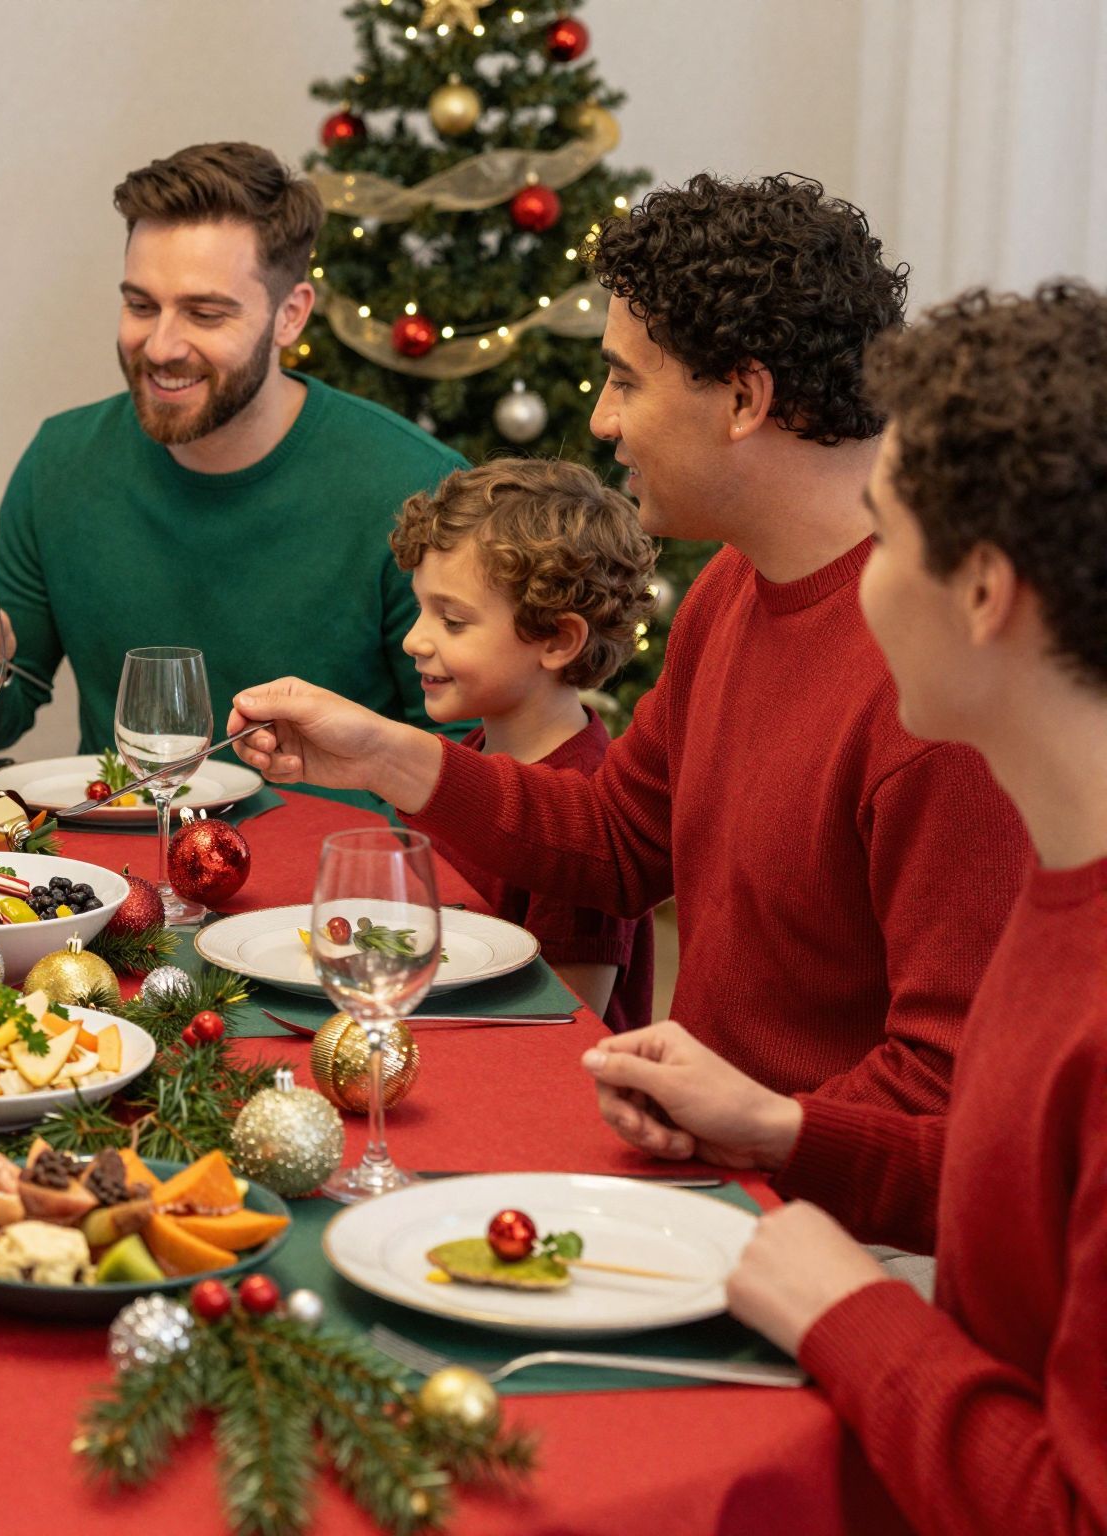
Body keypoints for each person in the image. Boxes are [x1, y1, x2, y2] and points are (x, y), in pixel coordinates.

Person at [230, 174, 1027, 1112]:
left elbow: (952, 1093)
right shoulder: (733, 583)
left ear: (742, 398)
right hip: (706, 1160)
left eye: (623, 381)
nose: (602, 422)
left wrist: (765, 1136)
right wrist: (384, 753)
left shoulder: (940, 685)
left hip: (809, 1221)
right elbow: (614, 843)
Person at [581, 283, 1107, 1535]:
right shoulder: (1060, 873)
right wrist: (779, 1129)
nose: (858, 579)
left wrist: (849, 1315)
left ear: (980, 591)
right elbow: (999, 1188)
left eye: (884, 527)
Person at [0, 141, 466, 766]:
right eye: (140, 305)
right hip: (117, 853)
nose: (159, 346)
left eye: (205, 314)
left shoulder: (414, 485)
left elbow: (462, 759)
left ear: (290, 316)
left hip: (334, 855)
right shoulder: (63, 462)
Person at [390, 459, 657, 1028]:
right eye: (420, 608)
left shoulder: (585, 818)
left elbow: (562, 1025)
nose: (415, 639)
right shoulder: (473, 753)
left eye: (453, 621)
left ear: (558, 639)